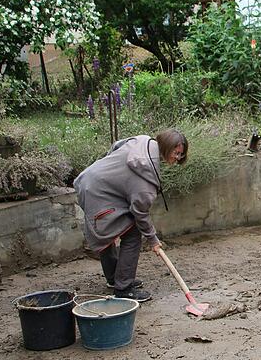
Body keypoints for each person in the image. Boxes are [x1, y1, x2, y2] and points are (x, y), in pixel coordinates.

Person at [74, 129, 188, 301]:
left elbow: (116, 146)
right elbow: (140, 213)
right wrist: (153, 239)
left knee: (109, 233)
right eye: (176, 152)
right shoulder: (146, 176)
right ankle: (123, 288)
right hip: (99, 194)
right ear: (165, 146)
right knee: (133, 232)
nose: (178, 157)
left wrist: (112, 173)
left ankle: (115, 279)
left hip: (90, 182)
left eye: (181, 154)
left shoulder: (143, 141)